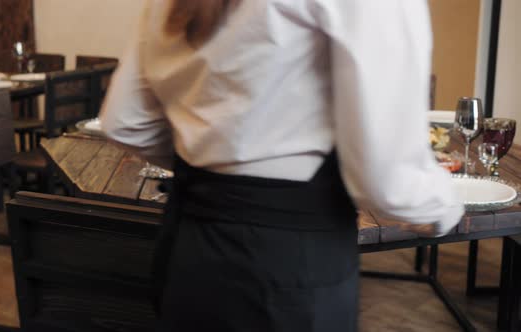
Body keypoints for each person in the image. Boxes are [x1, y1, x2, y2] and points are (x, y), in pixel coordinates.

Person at [100, 0, 464, 331]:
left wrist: (218, 173)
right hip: (285, 261)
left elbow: (126, 122)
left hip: (186, 247)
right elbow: (388, 181)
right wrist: (445, 208)